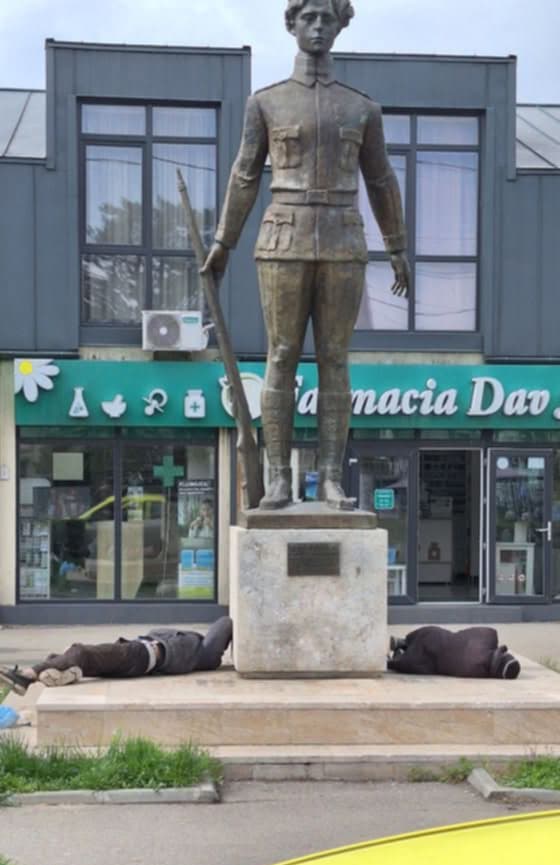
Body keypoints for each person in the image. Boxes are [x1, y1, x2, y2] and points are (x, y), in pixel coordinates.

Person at [202, 0, 409, 511]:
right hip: (284, 239)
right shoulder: (266, 103)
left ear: (341, 26)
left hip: (342, 240)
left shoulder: (362, 109)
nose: (318, 27)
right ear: (291, 24)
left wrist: (397, 245)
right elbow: (245, 174)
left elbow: (381, 178)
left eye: (327, 18)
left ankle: (330, 479)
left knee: (335, 359)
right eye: (309, 17)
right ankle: (278, 478)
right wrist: (224, 242)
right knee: (281, 356)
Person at [0, 616, 233, 695]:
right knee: (68, 656)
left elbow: (226, 622)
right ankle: (67, 673)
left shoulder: (206, 656)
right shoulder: (195, 648)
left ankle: (27, 676)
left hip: (139, 655)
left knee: (80, 651)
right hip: (135, 656)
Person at [387, 626, 521, 679]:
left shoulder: (489, 635)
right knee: (414, 663)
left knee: (429, 635)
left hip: (435, 636)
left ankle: (403, 643)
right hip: (430, 660)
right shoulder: (478, 671)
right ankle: (397, 656)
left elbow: (466, 633)